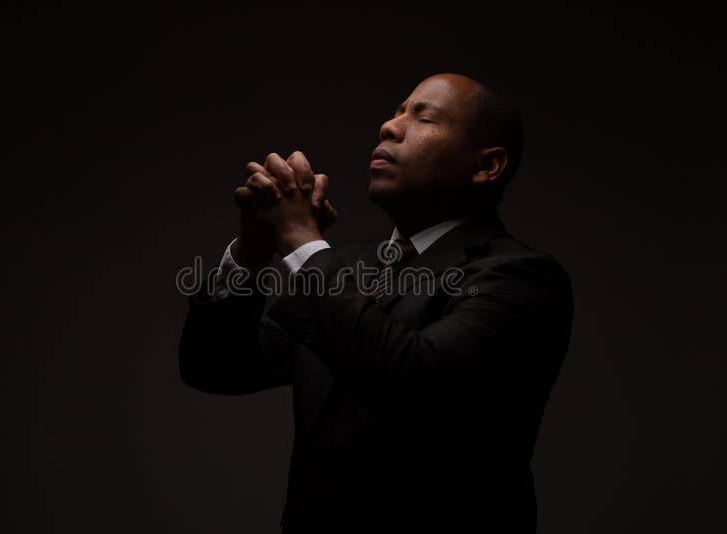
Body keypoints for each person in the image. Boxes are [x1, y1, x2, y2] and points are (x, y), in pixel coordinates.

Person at [179, 73, 574, 533]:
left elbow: (416, 380)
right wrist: (252, 251)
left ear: (487, 165)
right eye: (396, 111)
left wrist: (302, 243)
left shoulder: (521, 277)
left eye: (423, 117)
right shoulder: (340, 266)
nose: (389, 126)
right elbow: (215, 367)